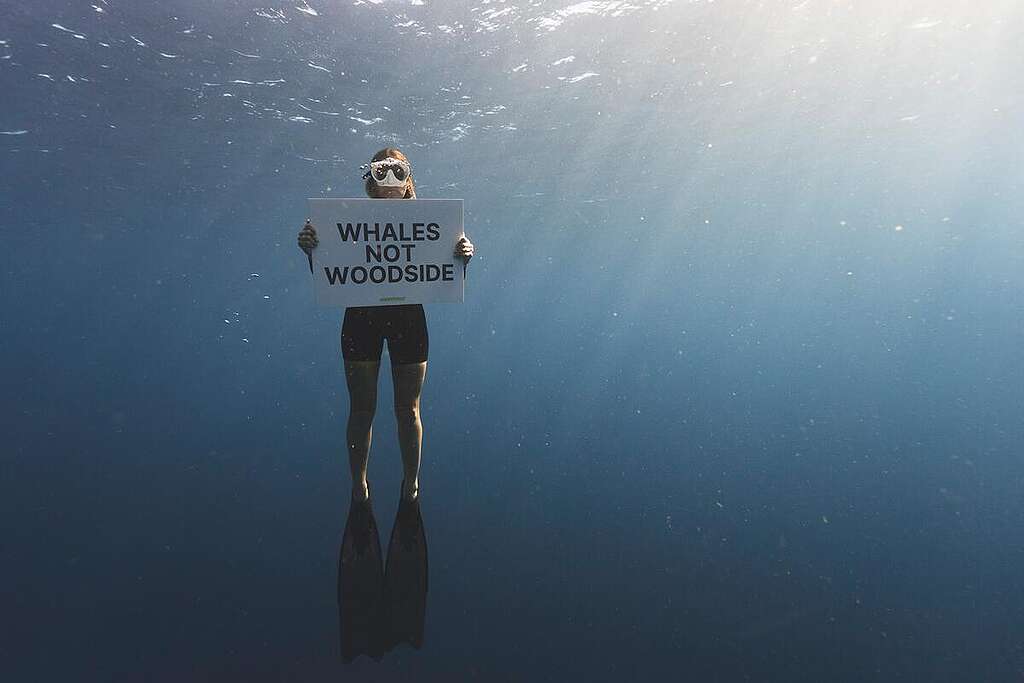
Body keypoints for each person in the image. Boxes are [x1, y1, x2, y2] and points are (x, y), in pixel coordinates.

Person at [297, 148, 474, 504]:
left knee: (408, 409)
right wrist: (311, 249)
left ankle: (411, 484)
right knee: (361, 408)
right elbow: (335, 274)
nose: (390, 179)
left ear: (409, 180)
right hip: (360, 318)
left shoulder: (435, 224)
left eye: (398, 171)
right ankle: (359, 485)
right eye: (381, 171)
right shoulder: (340, 221)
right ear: (370, 181)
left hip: (409, 319)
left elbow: (441, 277)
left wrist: (462, 255)